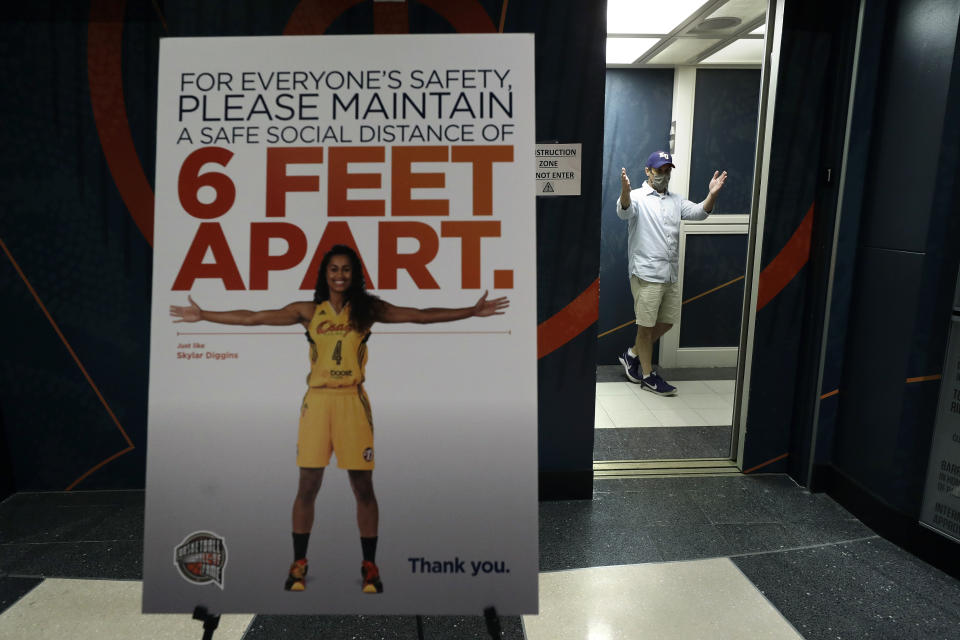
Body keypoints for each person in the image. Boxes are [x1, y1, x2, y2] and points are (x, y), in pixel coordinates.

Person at [170, 244, 509, 594]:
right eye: (333, 269)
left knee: (363, 487)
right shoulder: (307, 311)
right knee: (307, 486)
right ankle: (298, 564)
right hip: (318, 403)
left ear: (354, 274)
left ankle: (370, 566)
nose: (340, 275)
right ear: (325, 274)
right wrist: (205, 315)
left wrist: (471, 311)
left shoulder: (367, 310)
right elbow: (253, 317)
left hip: (351, 402)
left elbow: (420, 315)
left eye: (346, 269)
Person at [616, 151, 727, 395]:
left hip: (669, 274)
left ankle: (632, 354)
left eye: (667, 170)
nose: (663, 175)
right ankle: (647, 376)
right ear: (648, 171)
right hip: (646, 274)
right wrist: (624, 193)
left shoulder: (676, 200)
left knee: (667, 321)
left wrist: (712, 195)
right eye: (659, 170)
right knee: (645, 328)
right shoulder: (636, 197)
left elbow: (699, 213)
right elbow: (624, 212)